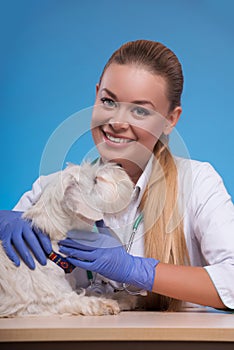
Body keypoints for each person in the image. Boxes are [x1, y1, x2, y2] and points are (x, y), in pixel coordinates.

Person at [1, 40, 234, 311]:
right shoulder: (51, 190)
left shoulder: (197, 184)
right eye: (108, 101)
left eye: (140, 111)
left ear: (171, 120)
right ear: (96, 94)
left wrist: (136, 269)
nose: (117, 122)